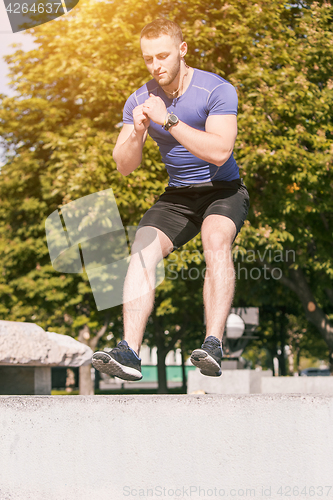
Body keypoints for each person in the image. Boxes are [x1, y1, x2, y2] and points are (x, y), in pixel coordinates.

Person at [92, 18, 249, 381]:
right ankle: (129, 352)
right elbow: (124, 166)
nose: (155, 65)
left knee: (215, 238)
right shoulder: (139, 98)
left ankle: (213, 344)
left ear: (182, 50)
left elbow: (221, 152)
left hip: (223, 191)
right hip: (178, 196)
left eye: (162, 56)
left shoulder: (216, 89)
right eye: (148, 59)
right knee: (142, 247)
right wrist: (138, 132)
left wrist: (170, 120)